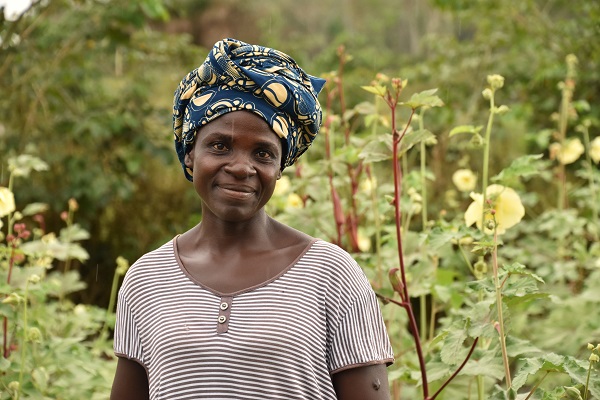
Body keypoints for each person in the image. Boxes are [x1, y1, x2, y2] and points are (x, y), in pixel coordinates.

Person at [110, 38, 394, 400]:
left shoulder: (331, 274)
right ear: (189, 154)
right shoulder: (147, 280)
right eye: (219, 146)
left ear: (279, 168)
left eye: (262, 153)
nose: (242, 167)